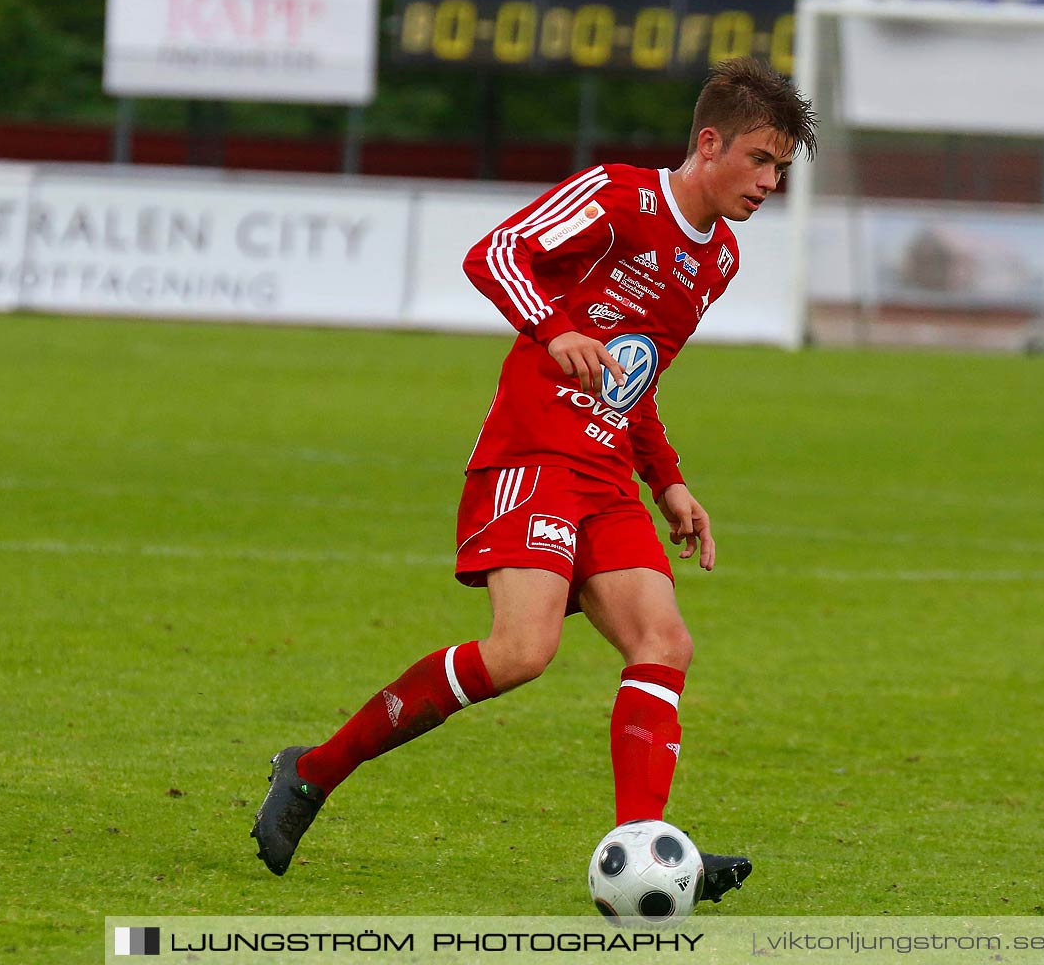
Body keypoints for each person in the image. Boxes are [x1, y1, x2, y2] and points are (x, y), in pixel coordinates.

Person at [251, 57, 818, 903]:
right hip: (532, 456)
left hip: (605, 475)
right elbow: (498, 253)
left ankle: (649, 849)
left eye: (781, 168)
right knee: (522, 653)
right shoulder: (619, 198)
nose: (771, 182)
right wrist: (554, 333)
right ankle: (314, 771)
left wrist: (668, 480)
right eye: (762, 161)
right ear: (710, 143)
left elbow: (640, 375)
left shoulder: (719, 258)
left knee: (664, 643)